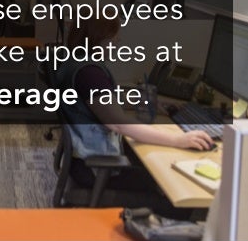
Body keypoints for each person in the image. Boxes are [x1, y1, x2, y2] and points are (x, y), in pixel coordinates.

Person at [55, 18, 213, 213]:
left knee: (155, 165)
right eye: (114, 37)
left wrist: (145, 102)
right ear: (99, 38)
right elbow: (118, 124)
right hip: (95, 169)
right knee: (173, 187)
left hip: (82, 161)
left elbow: (100, 102)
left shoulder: (76, 63)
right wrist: (178, 140)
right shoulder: (90, 74)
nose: (117, 42)